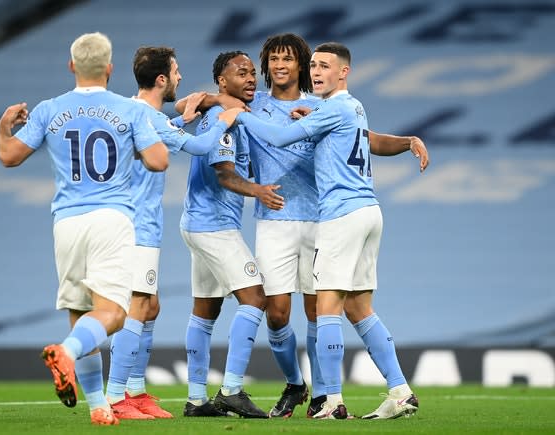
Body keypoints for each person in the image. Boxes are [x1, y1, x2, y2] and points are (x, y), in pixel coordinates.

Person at [179, 33, 428, 419]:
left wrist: (404, 141)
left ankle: (325, 397)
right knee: (277, 312)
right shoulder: (254, 101)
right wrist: (204, 97)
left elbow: (368, 139)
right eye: (274, 59)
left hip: (320, 218)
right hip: (274, 221)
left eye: (289, 59)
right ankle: (297, 383)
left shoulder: (320, 105)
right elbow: (203, 103)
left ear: (301, 65)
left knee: (319, 311)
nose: (280, 65)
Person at [0, 32, 169, 426]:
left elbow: (8, 156)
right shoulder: (129, 110)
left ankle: (98, 407)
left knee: (80, 312)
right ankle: (67, 354)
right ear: (109, 69)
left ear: (72, 66)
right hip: (111, 218)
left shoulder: (49, 109)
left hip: (67, 221)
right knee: (113, 314)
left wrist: (5, 126)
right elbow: (158, 161)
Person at [104, 46, 244, 420]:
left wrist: (180, 120)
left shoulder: (134, 111)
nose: (181, 78)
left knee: (150, 306)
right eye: (176, 71)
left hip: (135, 223)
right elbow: (200, 146)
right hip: (136, 225)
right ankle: (117, 397)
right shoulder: (148, 115)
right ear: (162, 78)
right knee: (137, 307)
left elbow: (160, 133)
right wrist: (223, 120)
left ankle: (135, 391)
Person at [180, 51, 284, 419]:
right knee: (256, 298)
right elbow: (224, 172)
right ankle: (231, 390)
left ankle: (195, 399)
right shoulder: (221, 120)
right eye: (242, 73)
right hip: (214, 227)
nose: (252, 78)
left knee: (205, 310)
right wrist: (258, 190)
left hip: (199, 223)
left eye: (253, 72)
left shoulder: (236, 114)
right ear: (222, 82)